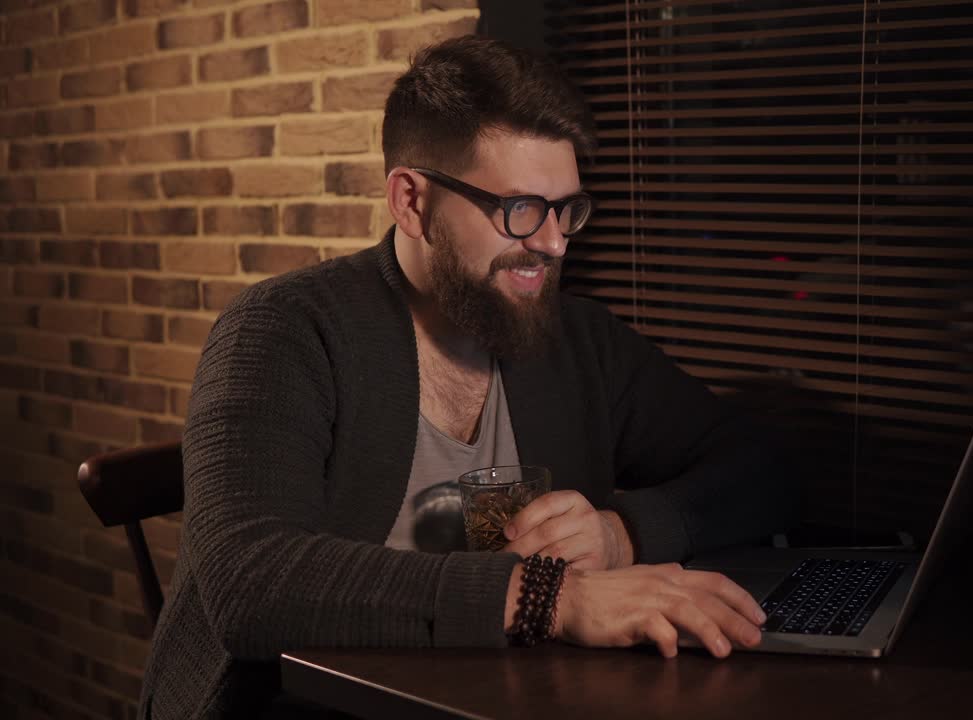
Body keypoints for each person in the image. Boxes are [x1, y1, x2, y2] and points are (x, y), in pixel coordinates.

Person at [138, 35, 791, 719]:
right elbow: (250, 583)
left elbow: (763, 469)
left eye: (567, 209)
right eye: (520, 211)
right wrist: (552, 597)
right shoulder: (283, 329)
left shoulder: (579, 341)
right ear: (412, 202)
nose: (554, 243)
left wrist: (622, 532)